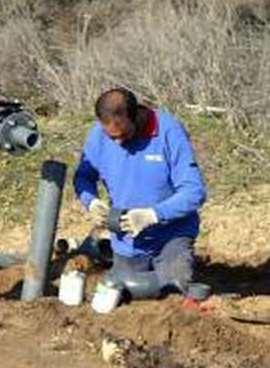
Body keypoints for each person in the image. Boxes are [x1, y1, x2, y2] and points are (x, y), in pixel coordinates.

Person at [73, 87, 206, 298]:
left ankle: (175, 274)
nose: (118, 143)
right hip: (128, 242)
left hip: (171, 236)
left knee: (174, 288)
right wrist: (91, 202)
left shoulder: (168, 131)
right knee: (125, 293)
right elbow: (83, 177)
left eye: (124, 135)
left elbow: (194, 191)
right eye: (111, 137)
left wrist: (152, 215)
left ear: (137, 115)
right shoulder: (98, 136)